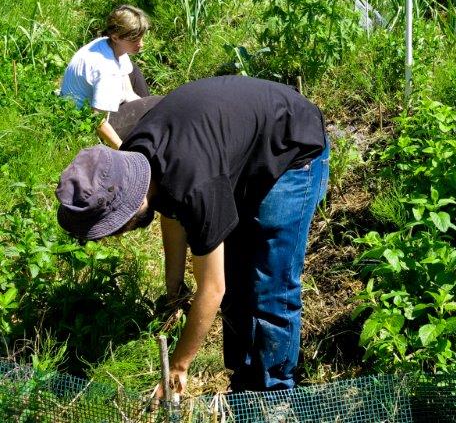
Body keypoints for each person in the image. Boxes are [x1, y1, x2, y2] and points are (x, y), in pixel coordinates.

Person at [55, 76, 329, 397]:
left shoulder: (195, 184)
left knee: (270, 284)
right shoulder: (133, 159)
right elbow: (170, 209)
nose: (116, 235)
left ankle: (274, 393)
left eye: (115, 226)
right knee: (238, 273)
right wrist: (173, 289)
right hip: (239, 146)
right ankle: (245, 380)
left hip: (293, 146)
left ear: (130, 205)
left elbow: (212, 288)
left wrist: (178, 366)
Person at [60, 5, 156, 148]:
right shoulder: (106, 68)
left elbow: (128, 93)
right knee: (156, 107)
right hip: (86, 122)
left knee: (138, 79)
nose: (141, 44)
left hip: (95, 105)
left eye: (141, 38)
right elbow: (97, 119)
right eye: (135, 40)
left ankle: (151, 126)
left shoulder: (109, 45)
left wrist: (147, 105)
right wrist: (121, 149)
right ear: (116, 37)